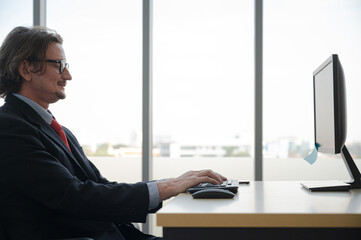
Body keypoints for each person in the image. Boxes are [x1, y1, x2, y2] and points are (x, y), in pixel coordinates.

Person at [0, 26, 227, 240]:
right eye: (58, 65)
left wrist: (175, 182)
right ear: (26, 69)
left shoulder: (60, 132)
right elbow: (73, 196)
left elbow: (100, 185)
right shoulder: (8, 127)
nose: (67, 75)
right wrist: (167, 187)